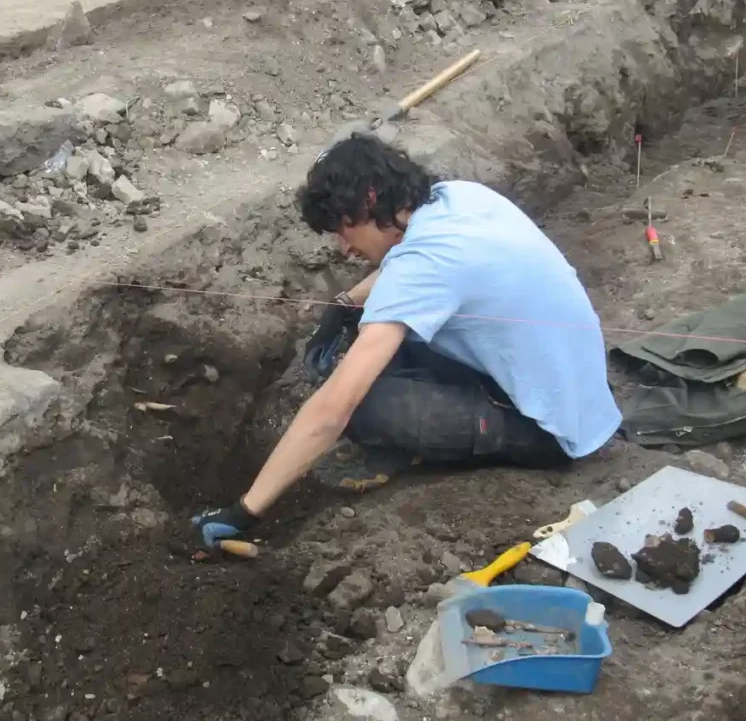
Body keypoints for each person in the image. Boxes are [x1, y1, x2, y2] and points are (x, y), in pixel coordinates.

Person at [192, 133, 621, 550]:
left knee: (360, 401)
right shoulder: (456, 198)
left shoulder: (426, 264)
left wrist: (243, 511)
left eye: (344, 229)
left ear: (372, 201)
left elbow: (332, 410)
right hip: (575, 392)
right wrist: (346, 303)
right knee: (372, 344)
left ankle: (417, 445)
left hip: (550, 430)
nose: (343, 248)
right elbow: (406, 265)